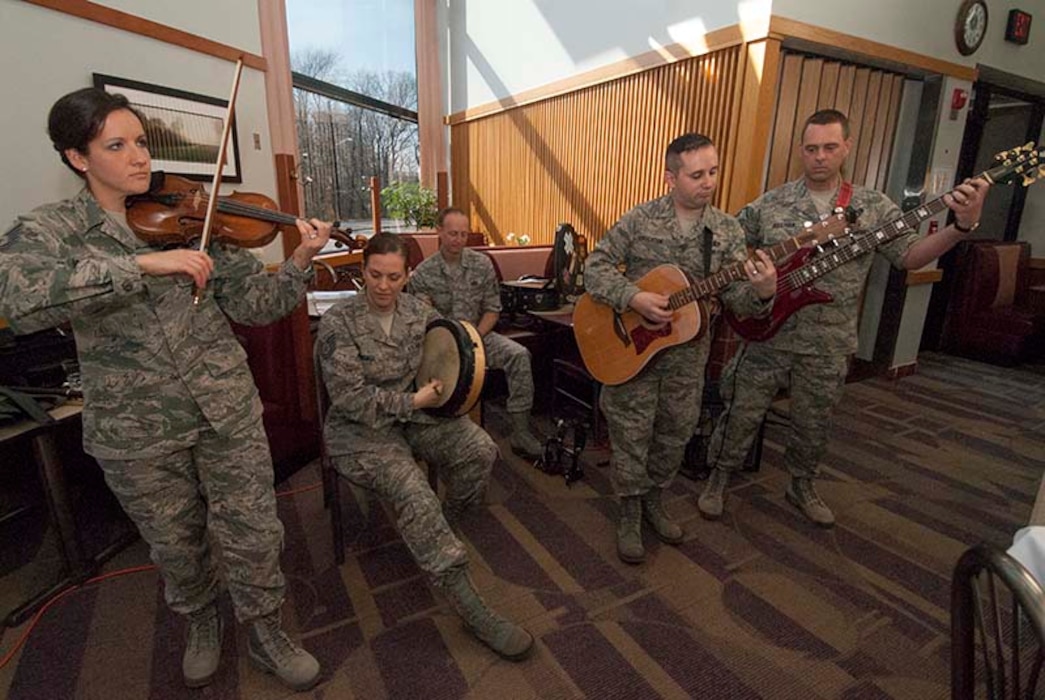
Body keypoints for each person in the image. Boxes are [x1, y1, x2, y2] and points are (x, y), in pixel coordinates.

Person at [0, 87, 329, 691]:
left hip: (224, 408)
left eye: (142, 143)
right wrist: (139, 266)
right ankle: (202, 620)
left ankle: (265, 628)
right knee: (175, 543)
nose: (139, 158)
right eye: (116, 145)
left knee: (255, 530)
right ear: (78, 158)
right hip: (136, 429)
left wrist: (302, 259)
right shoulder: (52, 229)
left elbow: (258, 305)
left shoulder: (194, 222)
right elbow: (17, 302)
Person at [697, 108, 989, 528]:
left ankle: (802, 484)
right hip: (767, 335)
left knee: (813, 423)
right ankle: (719, 478)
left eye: (830, 147)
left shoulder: (872, 207)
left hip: (829, 342)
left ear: (847, 147)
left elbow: (909, 257)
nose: (819, 156)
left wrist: (961, 227)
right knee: (740, 412)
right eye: (811, 148)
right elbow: (731, 248)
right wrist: (751, 286)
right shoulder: (771, 204)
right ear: (801, 150)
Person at [316, 232, 535, 660]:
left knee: (480, 450)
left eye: (393, 277)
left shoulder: (420, 312)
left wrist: (443, 388)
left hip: (416, 418)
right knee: (414, 490)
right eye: (374, 275)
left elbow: (446, 355)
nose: (383, 286)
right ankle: (471, 606)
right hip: (360, 430)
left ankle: (444, 523)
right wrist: (411, 400)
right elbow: (349, 399)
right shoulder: (339, 322)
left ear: (407, 275)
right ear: (362, 272)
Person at [584, 133, 777, 564]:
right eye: (696, 175)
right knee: (631, 436)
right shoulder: (639, 220)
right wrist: (632, 298)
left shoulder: (726, 231)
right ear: (670, 176)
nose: (707, 182)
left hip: (689, 358)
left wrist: (762, 292)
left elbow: (736, 299)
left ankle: (654, 499)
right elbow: (593, 268)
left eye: (712, 172)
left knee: (674, 434)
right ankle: (630, 511)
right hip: (633, 352)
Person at [408, 207, 543, 459]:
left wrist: (474, 339)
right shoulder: (424, 273)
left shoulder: (482, 264)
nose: (457, 239)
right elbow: (424, 320)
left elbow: (492, 310)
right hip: (442, 344)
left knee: (519, 355)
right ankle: (447, 435)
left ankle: (521, 432)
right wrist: (457, 345)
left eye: (463, 234)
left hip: (480, 335)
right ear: (439, 231)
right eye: (452, 233)